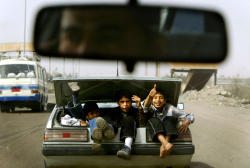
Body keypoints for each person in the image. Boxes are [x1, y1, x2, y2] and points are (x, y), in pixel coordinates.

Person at [142, 84, 195, 158]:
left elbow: (190, 115)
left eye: (161, 98)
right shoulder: (150, 106)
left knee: (170, 118)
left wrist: (187, 121)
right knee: (153, 119)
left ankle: (164, 145)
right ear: (151, 100)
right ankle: (166, 144)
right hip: (153, 132)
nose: (158, 100)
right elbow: (145, 107)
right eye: (155, 98)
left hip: (168, 134)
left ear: (164, 101)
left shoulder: (170, 107)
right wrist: (150, 96)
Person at [108, 93, 142, 160]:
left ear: (131, 102)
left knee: (129, 118)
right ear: (118, 103)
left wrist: (140, 107)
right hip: (113, 136)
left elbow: (142, 124)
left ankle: (127, 148)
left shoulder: (136, 111)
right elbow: (108, 121)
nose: (125, 104)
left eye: (127, 101)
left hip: (134, 137)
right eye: (122, 102)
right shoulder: (113, 111)